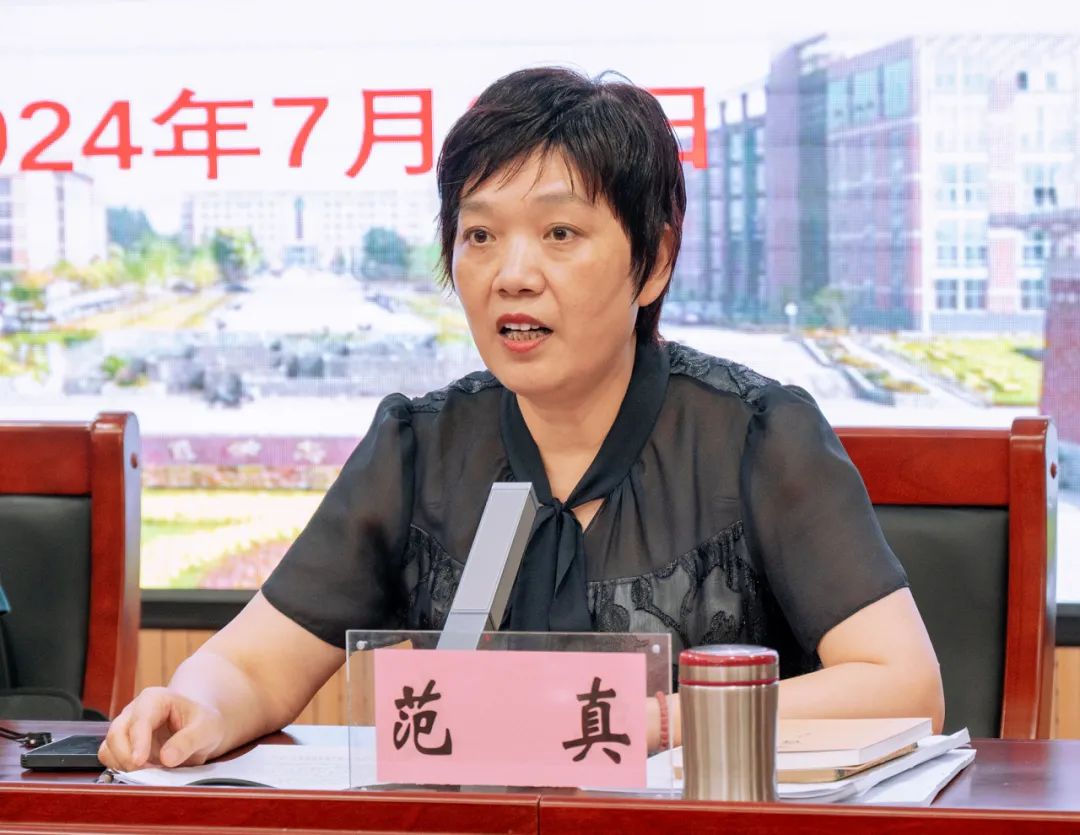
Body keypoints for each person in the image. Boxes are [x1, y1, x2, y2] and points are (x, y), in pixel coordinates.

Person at [100, 67, 944, 771]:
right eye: (479, 236)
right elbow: (252, 663)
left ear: (654, 260)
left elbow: (903, 685)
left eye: (560, 232)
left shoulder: (756, 435)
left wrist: (655, 721)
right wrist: (194, 702)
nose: (512, 274)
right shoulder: (419, 447)